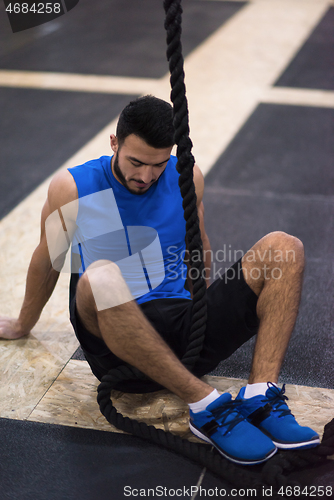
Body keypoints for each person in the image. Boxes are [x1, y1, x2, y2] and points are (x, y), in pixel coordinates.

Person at [0, 95, 320, 465]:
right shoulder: (73, 188)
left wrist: (206, 317)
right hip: (116, 346)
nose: (146, 176)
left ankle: (261, 396)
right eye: (136, 162)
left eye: (158, 164)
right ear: (114, 143)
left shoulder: (186, 175)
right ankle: (203, 403)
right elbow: (49, 261)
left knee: (284, 247)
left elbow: (197, 247)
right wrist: (24, 322)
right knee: (100, 275)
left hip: (184, 335)